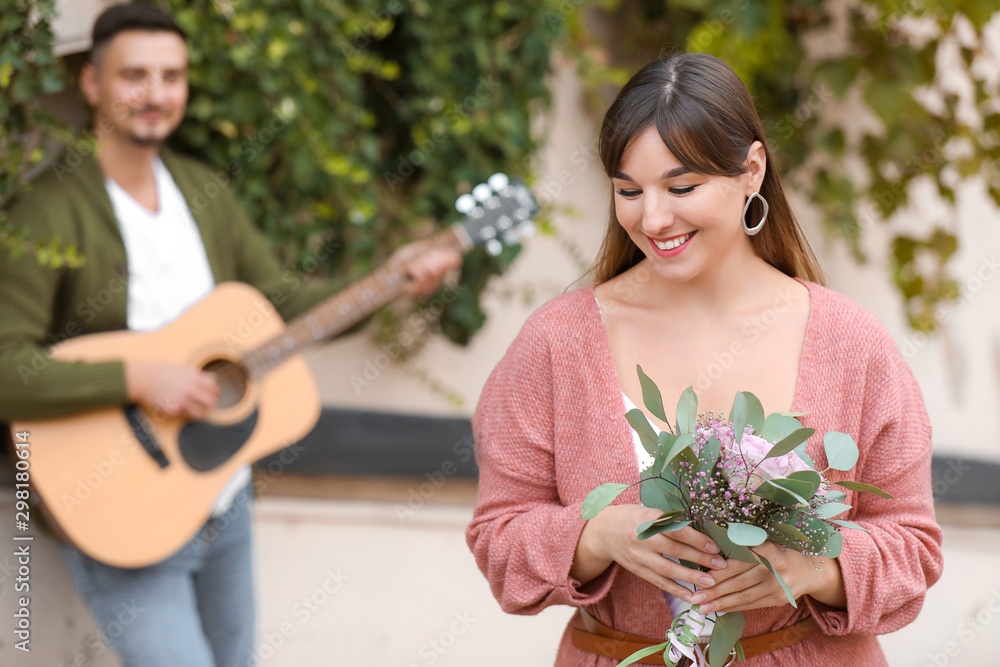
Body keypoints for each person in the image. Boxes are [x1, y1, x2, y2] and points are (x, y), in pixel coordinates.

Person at [0, 5, 460, 667]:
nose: (155, 93)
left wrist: (391, 280)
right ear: (91, 84)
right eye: (134, 75)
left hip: (222, 494)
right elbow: (7, 366)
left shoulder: (203, 192)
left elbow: (283, 308)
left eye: (171, 76)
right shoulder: (46, 209)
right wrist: (136, 377)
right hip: (121, 506)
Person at [466, 53, 943, 666]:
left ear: (751, 170)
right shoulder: (558, 342)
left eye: (681, 187)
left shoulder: (851, 341)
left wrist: (813, 569)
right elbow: (499, 536)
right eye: (628, 191)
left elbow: (914, 547)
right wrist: (599, 534)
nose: (654, 217)